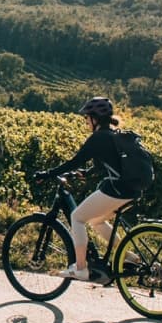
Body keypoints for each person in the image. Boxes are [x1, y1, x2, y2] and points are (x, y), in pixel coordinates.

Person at [33, 97, 153, 281]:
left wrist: (46, 174)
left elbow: (74, 161)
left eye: (87, 117)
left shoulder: (98, 137)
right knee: (96, 221)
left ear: (95, 118)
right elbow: (102, 166)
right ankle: (128, 258)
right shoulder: (113, 135)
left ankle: (80, 268)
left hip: (116, 190)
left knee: (77, 217)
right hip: (132, 190)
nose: (86, 121)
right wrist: (86, 173)